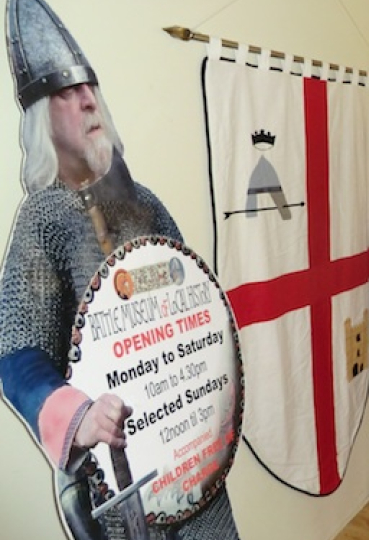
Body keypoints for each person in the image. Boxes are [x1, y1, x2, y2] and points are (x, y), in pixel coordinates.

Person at [0, 1, 239, 539]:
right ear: (42, 115)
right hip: (118, 477)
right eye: (67, 91)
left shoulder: (145, 205)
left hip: (190, 454)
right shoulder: (44, 219)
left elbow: (196, 305)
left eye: (90, 88)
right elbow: (16, 351)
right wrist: (78, 415)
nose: (88, 100)